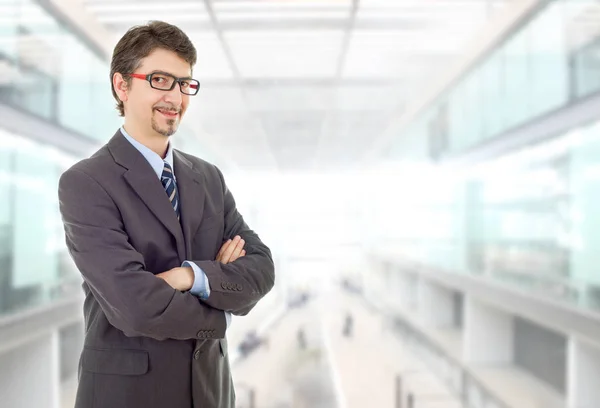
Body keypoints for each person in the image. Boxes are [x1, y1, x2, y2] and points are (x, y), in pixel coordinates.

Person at [58, 21, 275, 408]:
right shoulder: (87, 183)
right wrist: (221, 315)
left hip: (211, 393)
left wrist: (189, 276)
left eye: (184, 83)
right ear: (122, 85)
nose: (175, 96)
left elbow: (260, 269)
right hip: (128, 397)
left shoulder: (207, 177)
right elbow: (135, 305)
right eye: (160, 79)